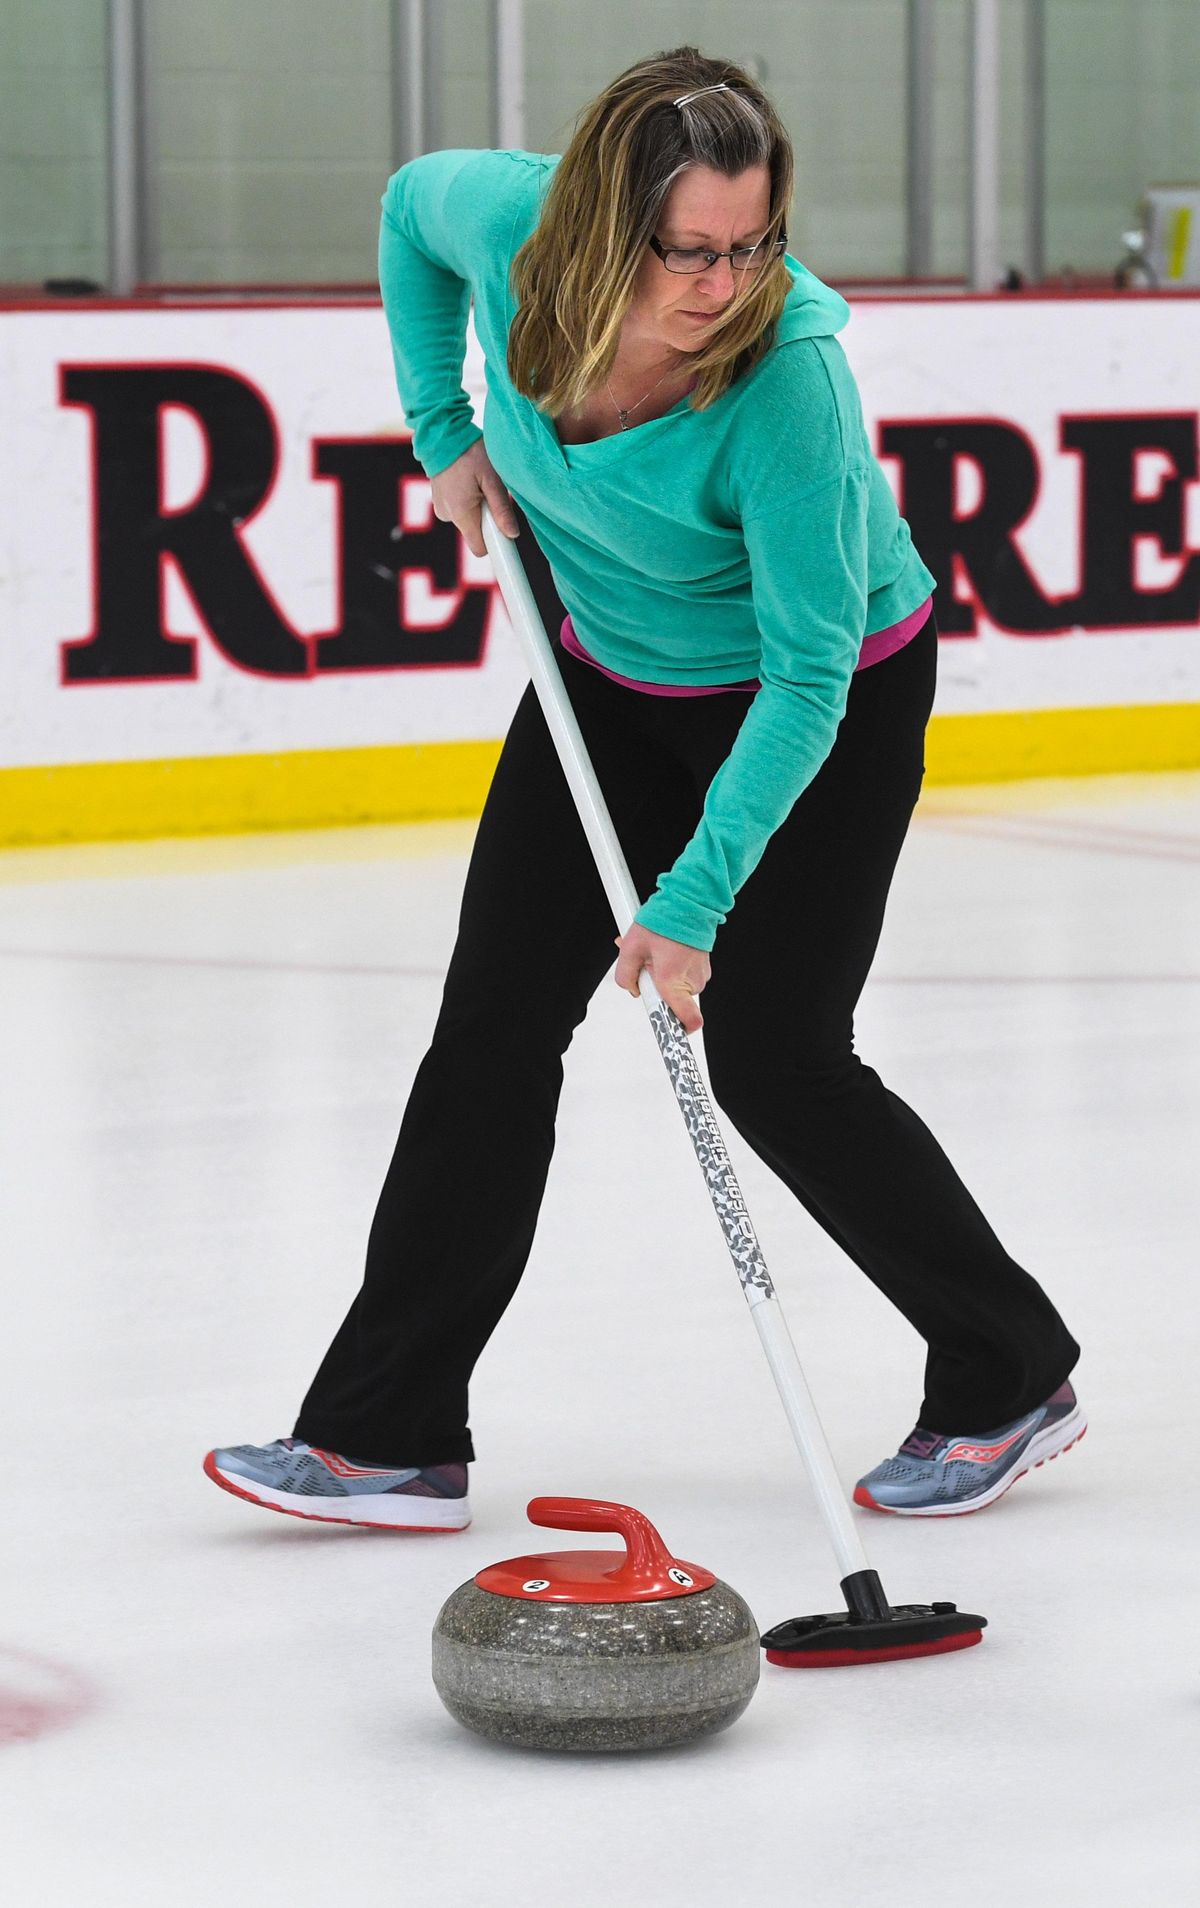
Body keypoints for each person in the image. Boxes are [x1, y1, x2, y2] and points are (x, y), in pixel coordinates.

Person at [205, 46, 1083, 1532]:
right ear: (609, 229)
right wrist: (443, 429)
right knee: (489, 1026)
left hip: (824, 696)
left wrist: (691, 905)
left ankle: (1008, 1370)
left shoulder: (788, 382)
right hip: (607, 674)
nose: (722, 283)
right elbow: (408, 206)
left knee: (777, 1055)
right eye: (689, 250)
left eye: (752, 246)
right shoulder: (513, 226)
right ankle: (388, 1436)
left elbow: (807, 679)